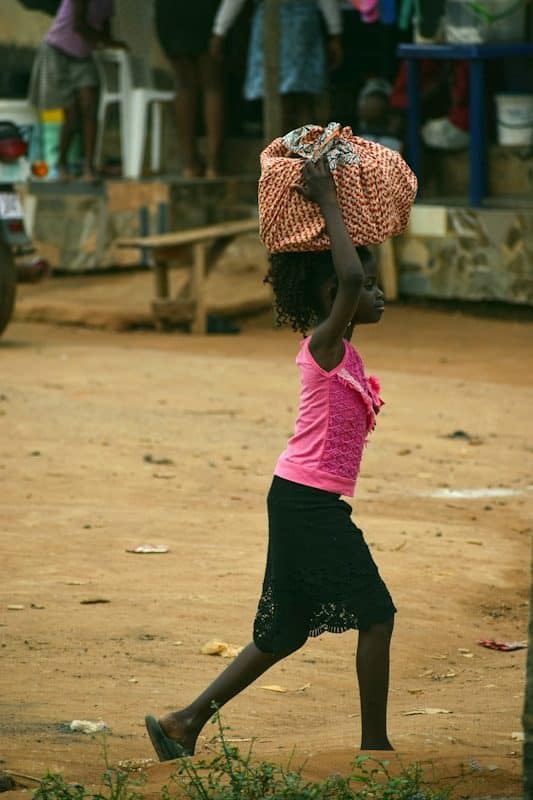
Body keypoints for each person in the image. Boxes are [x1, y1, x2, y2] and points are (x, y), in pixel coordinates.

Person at [144, 155, 397, 759]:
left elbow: (354, 277)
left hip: (301, 500)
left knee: (283, 632)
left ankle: (182, 725)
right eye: (366, 283)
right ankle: (375, 748)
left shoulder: (345, 347)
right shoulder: (324, 341)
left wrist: (346, 212)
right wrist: (328, 199)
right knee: (378, 614)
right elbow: (354, 281)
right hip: (307, 505)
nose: (379, 290)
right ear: (335, 294)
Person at [211, 0, 343, 131]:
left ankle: (297, 147)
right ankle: (287, 147)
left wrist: (220, 31)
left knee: (298, 98)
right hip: (278, 25)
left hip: (298, 26)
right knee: (291, 100)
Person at [29, 0, 124, 180]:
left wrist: (110, 42)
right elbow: (79, 26)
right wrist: (108, 42)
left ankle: (89, 166)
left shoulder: (108, 3)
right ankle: (62, 162)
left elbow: (105, 28)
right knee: (71, 116)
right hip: (58, 52)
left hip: (82, 56)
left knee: (89, 108)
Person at [154, 1, 224, 178]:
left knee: (185, 84)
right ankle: (214, 163)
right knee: (212, 84)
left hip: (171, 13)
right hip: (203, 13)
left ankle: (190, 162)